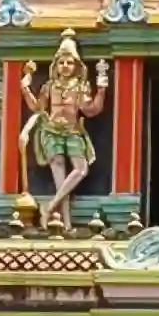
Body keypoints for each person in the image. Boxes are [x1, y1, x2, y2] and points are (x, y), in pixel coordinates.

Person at [18, 30, 109, 229]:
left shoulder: (80, 86)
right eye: (62, 62)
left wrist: (101, 89)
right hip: (51, 131)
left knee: (80, 169)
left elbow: (91, 109)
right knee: (60, 180)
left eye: (69, 62)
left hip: (73, 131)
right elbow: (37, 107)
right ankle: (65, 225)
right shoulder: (49, 86)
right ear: (56, 65)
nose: (65, 66)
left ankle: (49, 207)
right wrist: (25, 88)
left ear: (76, 65)